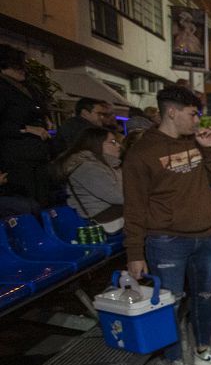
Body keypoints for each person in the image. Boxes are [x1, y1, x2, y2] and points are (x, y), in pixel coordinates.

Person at [122, 85, 211, 365]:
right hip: (166, 241)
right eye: (192, 113)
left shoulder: (196, 143)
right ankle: (175, 361)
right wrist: (135, 252)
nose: (197, 120)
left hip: (206, 237)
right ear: (172, 112)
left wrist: (209, 148)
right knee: (170, 305)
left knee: (204, 298)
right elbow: (134, 207)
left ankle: (203, 352)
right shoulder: (142, 152)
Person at [0, 44, 53, 205]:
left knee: (44, 199)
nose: (22, 70)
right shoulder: (4, 88)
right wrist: (26, 129)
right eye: (16, 66)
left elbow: (40, 108)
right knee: (28, 202)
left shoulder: (29, 87)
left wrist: (46, 118)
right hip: (17, 158)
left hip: (39, 155)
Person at [56, 127, 125, 233]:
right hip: (102, 219)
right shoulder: (87, 168)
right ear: (96, 144)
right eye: (112, 142)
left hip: (116, 212)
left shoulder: (109, 164)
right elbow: (118, 196)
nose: (119, 146)